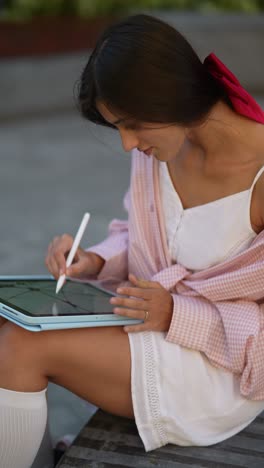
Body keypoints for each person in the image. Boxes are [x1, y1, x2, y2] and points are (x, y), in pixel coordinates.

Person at [1, 13, 264, 468]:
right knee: (7, 327)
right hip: (151, 323)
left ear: (170, 97)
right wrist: (96, 262)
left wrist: (177, 313)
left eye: (131, 124)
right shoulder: (162, 147)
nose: (126, 145)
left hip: (219, 369)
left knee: (20, 346)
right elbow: (140, 237)